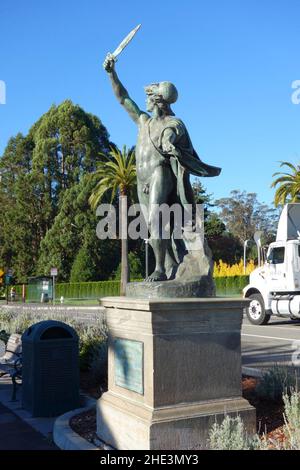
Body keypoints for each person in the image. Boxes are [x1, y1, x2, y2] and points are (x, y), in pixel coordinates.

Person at [103, 53, 221, 281]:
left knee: (157, 216)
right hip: (142, 179)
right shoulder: (143, 121)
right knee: (150, 223)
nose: (144, 101)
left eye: (148, 97)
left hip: (160, 173)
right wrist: (111, 73)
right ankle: (168, 266)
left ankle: (158, 268)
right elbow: (122, 98)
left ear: (158, 101)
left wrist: (168, 141)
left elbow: (172, 133)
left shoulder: (172, 123)